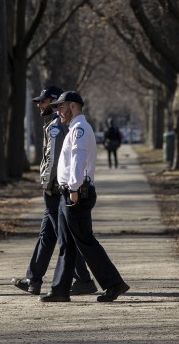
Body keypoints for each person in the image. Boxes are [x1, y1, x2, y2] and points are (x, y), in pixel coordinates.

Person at [40, 91, 130, 303]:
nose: (59, 112)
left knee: (85, 242)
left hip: (76, 194)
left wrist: (73, 190)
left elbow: (78, 162)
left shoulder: (79, 129)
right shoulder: (73, 129)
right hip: (68, 193)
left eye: (61, 108)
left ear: (72, 106)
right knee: (67, 244)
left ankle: (114, 283)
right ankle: (60, 289)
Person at [11, 86, 97, 296]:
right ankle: (34, 279)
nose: (40, 105)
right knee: (48, 235)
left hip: (56, 189)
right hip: (57, 188)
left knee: (63, 237)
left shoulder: (57, 127)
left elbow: (55, 159)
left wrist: (48, 184)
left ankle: (83, 279)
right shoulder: (55, 124)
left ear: (53, 101)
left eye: (43, 101)